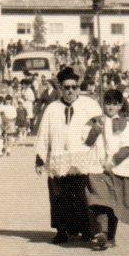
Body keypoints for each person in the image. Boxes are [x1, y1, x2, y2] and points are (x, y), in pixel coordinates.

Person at [34, 66, 103, 244]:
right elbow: (43, 133)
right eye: (66, 87)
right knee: (58, 196)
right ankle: (62, 230)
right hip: (58, 158)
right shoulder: (52, 109)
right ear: (60, 89)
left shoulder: (89, 105)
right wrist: (40, 158)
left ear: (78, 87)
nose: (70, 90)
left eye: (74, 87)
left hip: (82, 158)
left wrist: (90, 142)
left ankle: (87, 230)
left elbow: (100, 126)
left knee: (81, 196)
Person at [85, 89, 129, 250]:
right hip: (97, 168)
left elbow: (128, 146)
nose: (111, 107)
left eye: (115, 104)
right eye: (108, 103)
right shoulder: (95, 121)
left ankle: (110, 237)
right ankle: (102, 232)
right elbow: (87, 142)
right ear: (103, 104)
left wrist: (113, 161)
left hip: (116, 169)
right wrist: (95, 130)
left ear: (120, 105)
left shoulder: (124, 125)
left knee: (114, 204)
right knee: (99, 200)